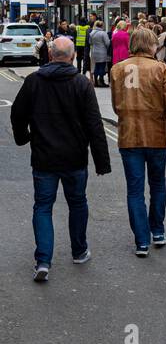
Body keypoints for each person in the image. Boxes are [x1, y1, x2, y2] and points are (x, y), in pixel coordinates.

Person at [10, 36, 111, 281]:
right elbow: (94, 125)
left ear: (50, 55)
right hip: (75, 158)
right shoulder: (81, 83)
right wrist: (101, 161)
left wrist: (24, 137)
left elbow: (17, 113)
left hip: (44, 157)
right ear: (73, 56)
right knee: (77, 203)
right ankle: (79, 251)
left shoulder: (34, 81)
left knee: (43, 207)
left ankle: (43, 261)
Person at [111, 26, 166, 255]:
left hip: (129, 136)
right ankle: (158, 231)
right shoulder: (161, 69)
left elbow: (116, 106)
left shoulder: (117, 69)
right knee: (158, 185)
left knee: (134, 190)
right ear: (151, 45)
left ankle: (141, 241)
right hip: (157, 136)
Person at [89, 21, 111, 87]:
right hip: (102, 52)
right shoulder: (103, 33)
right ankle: (101, 81)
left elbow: (90, 42)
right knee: (102, 66)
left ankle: (96, 81)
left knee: (96, 66)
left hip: (94, 52)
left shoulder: (91, 33)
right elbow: (107, 43)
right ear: (101, 26)